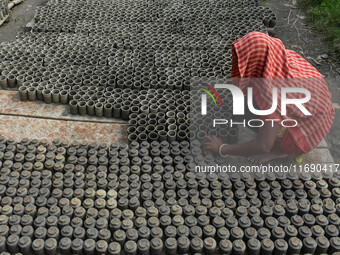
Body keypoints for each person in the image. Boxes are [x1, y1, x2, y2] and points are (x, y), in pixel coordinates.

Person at [203, 32, 334, 163]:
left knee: (248, 113)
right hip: (317, 107)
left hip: (308, 131)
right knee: (247, 100)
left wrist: (222, 148)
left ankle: (280, 152)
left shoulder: (273, 97)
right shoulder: (280, 56)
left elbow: (263, 145)